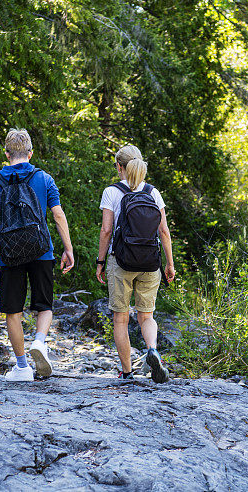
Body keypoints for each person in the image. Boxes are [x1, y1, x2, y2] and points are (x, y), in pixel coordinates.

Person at [0, 128, 75, 382]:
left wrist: (7, 247)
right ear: (30, 153)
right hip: (42, 250)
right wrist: (67, 248)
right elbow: (57, 214)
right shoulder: (43, 178)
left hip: (10, 255)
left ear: (6, 153)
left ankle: (22, 367)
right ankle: (39, 341)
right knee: (44, 304)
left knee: (13, 311)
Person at [96, 145, 176, 383]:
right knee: (146, 315)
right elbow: (164, 231)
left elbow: (106, 230)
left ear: (119, 167)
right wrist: (169, 263)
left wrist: (100, 261)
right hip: (150, 262)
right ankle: (152, 349)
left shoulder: (111, 192)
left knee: (120, 318)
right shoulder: (153, 192)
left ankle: (127, 371)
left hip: (121, 261)